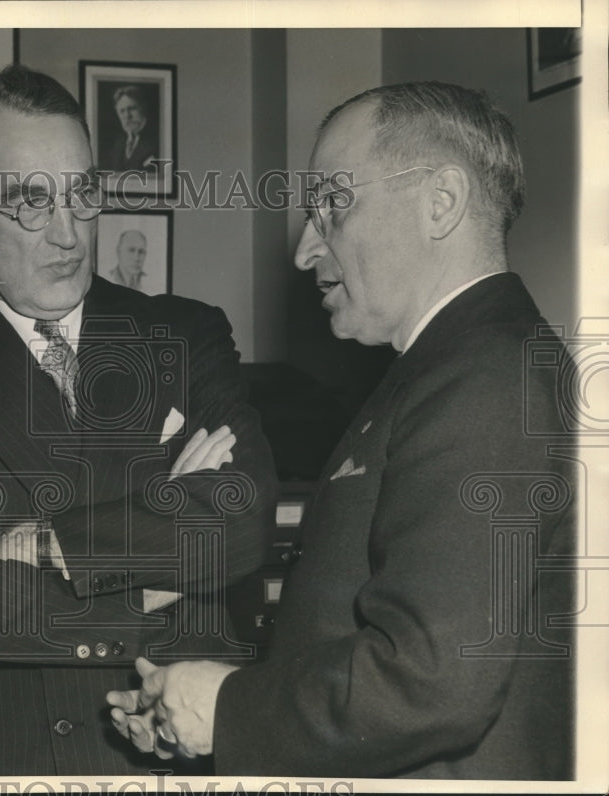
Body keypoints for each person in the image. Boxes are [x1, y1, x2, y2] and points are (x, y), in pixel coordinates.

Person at [107, 81, 576, 779]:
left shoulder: (487, 377)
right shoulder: (449, 365)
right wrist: (207, 702)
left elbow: (431, 681)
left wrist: (227, 709)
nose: (304, 250)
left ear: (441, 202)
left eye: (332, 204)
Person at [0, 65, 277, 776]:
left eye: (81, 193)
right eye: (29, 202)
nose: (68, 234)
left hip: (184, 753)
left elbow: (242, 513)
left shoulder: (185, 332)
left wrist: (52, 546)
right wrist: (154, 571)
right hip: (22, 763)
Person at [107, 85, 157, 172]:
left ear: (143, 107)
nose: (127, 116)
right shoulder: (118, 144)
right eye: (122, 111)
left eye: (132, 109)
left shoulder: (158, 140)